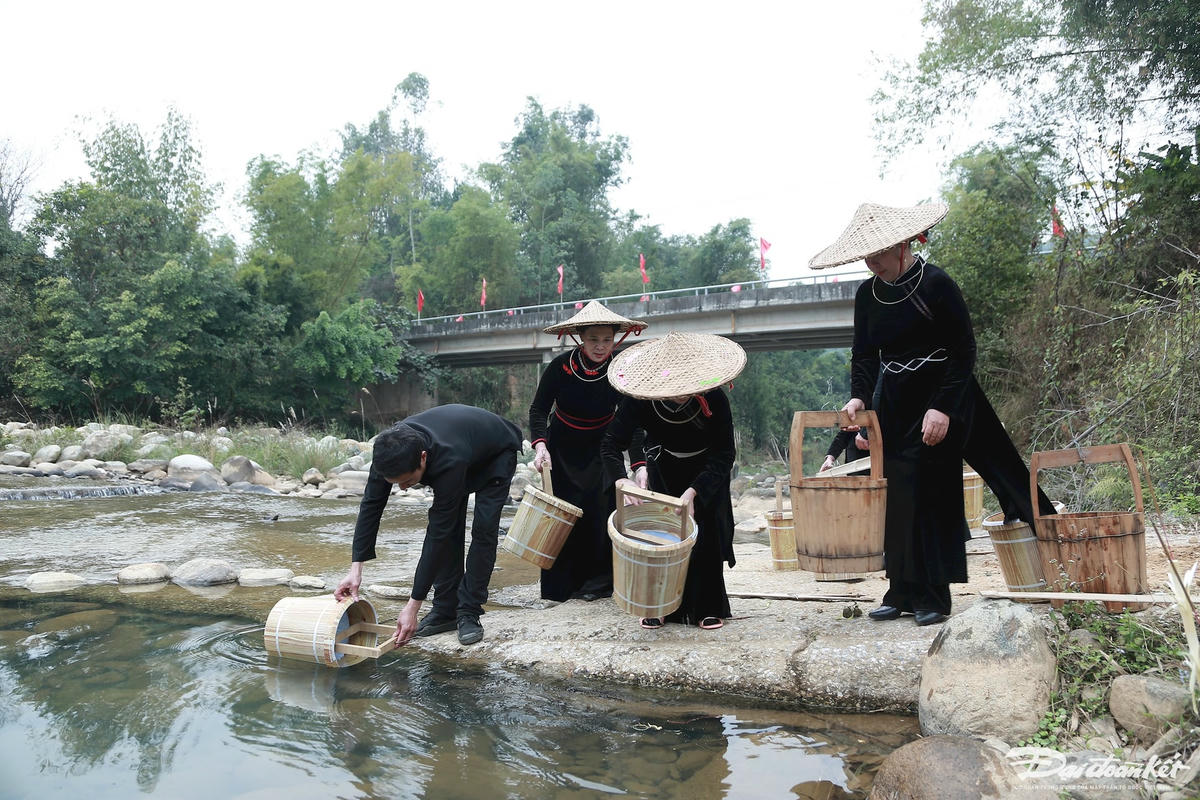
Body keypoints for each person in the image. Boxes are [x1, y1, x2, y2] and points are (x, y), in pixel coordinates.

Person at [808, 201, 1056, 626]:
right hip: (897, 401)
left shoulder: (937, 283)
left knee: (936, 490)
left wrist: (941, 407)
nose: (873, 264)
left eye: (878, 255)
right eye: (866, 257)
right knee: (900, 495)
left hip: (945, 394)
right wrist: (859, 398)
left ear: (902, 246)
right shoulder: (868, 294)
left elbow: (964, 352)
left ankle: (935, 596)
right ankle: (901, 590)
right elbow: (865, 354)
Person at [334, 403, 523, 647]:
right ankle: (445, 610)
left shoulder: (448, 457)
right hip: (462, 445)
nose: (403, 488)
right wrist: (355, 569)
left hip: (495, 454)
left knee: (483, 529)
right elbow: (371, 506)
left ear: (423, 458)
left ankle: (468, 611)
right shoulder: (389, 452)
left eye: (409, 481)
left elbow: (437, 534)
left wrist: (413, 605)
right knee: (450, 526)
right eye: (396, 484)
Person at [600, 331, 745, 630]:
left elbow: (725, 453)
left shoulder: (715, 397)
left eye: (686, 385)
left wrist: (694, 492)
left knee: (705, 536)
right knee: (664, 537)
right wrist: (622, 480)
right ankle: (660, 603)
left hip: (706, 470)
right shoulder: (641, 399)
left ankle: (708, 605)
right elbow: (611, 444)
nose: (681, 392)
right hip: (664, 467)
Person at [530, 301, 648, 602]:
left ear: (615, 339)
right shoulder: (561, 366)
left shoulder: (621, 369)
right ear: (580, 338)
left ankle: (598, 584)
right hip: (562, 446)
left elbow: (632, 421)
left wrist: (638, 464)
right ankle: (560, 588)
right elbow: (539, 409)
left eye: (607, 340)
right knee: (563, 515)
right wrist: (540, 445)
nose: (600, 346)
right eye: (594, 339)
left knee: (600, 512)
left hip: (603, 446)